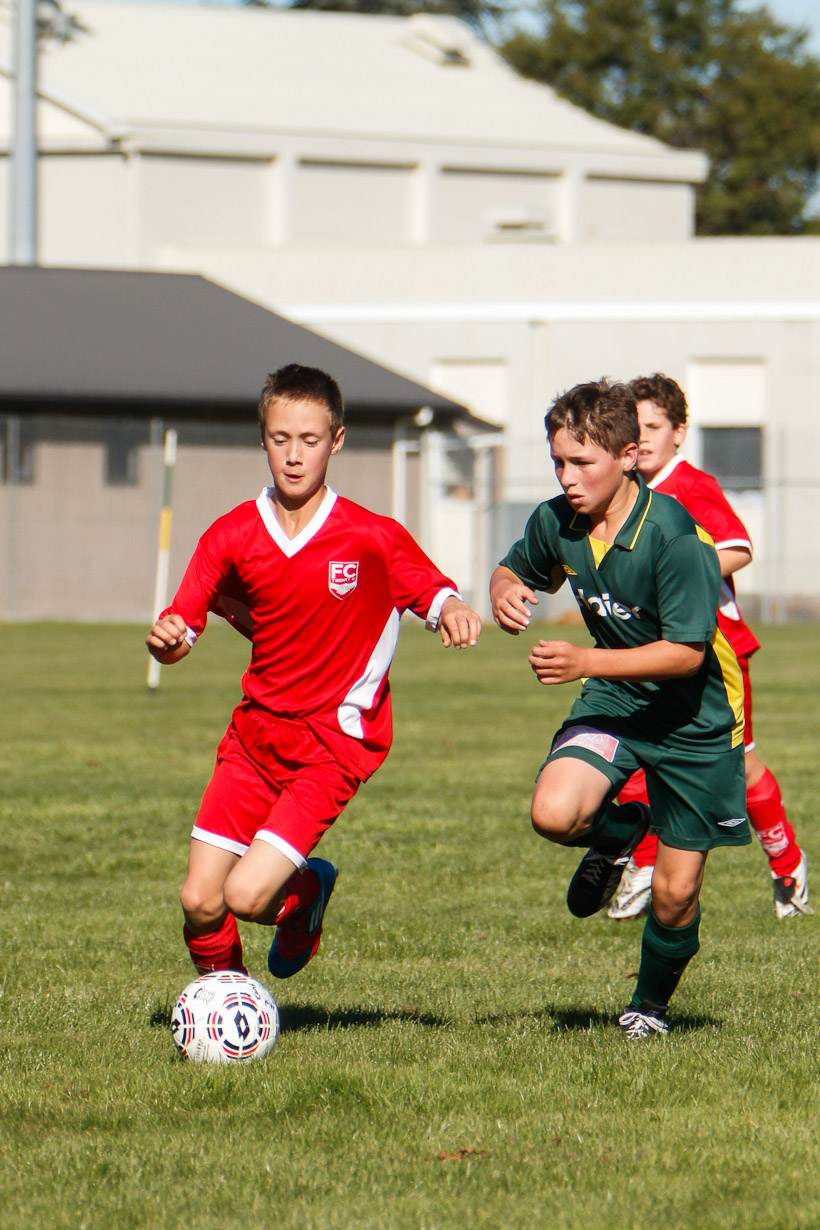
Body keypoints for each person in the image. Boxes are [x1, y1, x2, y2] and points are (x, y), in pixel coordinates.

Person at [146, 363, 481, 984]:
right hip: (254, 739)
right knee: (199, 901)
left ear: (337, 440)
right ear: (263, 439)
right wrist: (167, 643)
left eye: (310, 440)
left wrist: (453, 609)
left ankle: (309, 893)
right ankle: (230, 1008)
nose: (294, 456)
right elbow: (180, 630)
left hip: (332, 744)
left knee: (246, 896)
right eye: (281, 439)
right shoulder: (231, 535)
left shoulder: (371, 536)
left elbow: (432, 591)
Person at [490, 378, 749, 1040]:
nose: (567, 478)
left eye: (583, 462)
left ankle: (648, 1006)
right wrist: (504, 589)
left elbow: (686, 654)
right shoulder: (558, 519)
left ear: (629, 456)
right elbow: (515, 568)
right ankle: (619, 831)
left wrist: (584, 661)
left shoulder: (674, 536)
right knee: (553, 813)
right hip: (616, 697)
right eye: (558, 461)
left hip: (694, 717)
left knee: (675, 893)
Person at [608, 373, 811, 922]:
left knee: (738, 764)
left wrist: (671, 576)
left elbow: (738, 547)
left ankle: (786, 861)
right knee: (637, 752)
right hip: (652, 651)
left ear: (679, 432)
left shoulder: (689, 485)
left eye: (654, 426)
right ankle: (643, 866)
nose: (642, 437)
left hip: (715, 653)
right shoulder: (627, 494)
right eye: (634, 427)